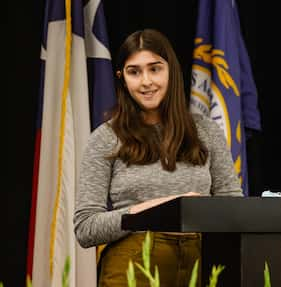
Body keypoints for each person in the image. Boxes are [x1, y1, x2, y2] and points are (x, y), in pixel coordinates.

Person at [73, 29, 242, 287]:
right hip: (133, 266)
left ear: (171, 71)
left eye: (155, 69)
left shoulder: (207, 131)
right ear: (122, 79)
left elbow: (233, 208)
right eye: (134, 72)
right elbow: (86, 228)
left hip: (203, 263)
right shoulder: (105, 138)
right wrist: (160, 208)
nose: (146, 81)